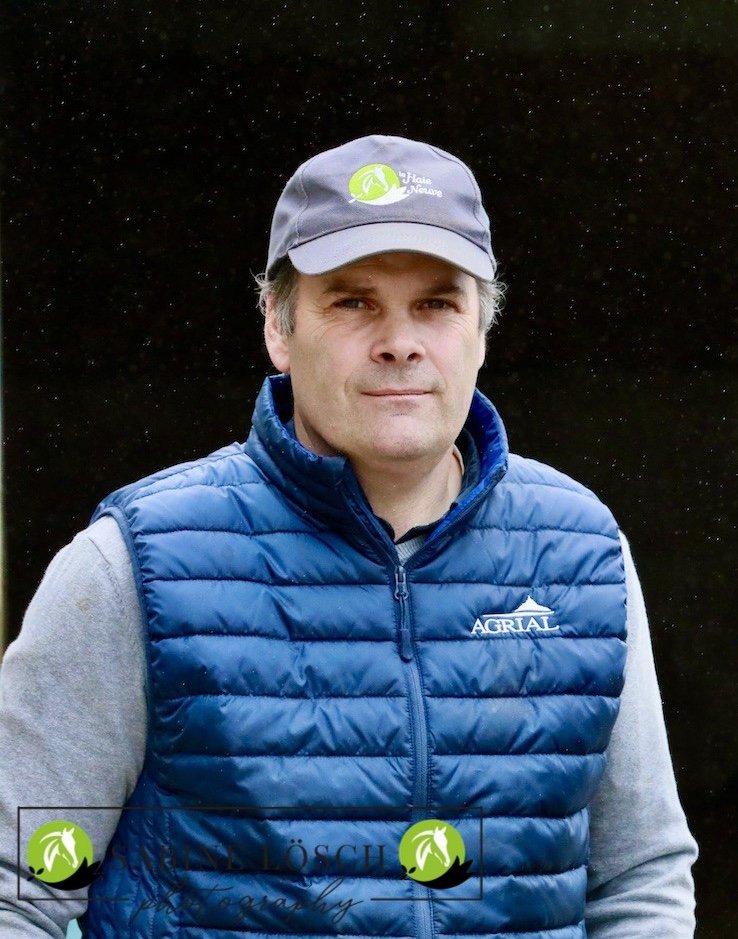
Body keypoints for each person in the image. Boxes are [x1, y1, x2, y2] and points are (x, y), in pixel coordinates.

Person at [0, 134, 697, 938]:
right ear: (278, 326)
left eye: (436, 303)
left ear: (482, 330)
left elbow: (640, 879)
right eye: (353, 301)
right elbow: (20, 890)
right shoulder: (133, 567)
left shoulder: (581, 556)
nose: (400, 341)